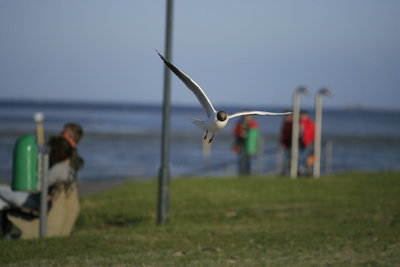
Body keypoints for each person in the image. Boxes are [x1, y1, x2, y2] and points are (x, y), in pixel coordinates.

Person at [0, 137, 75, 236]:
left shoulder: (57, 169)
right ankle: (5, 234)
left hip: (33, 201)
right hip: (44, 203)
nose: (49, 152)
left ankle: (4, 233)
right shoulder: (69, 170)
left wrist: (41, 164)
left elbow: (39, 186)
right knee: (1, 200)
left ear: (57, 153)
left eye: (52, 150)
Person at [299, 111, 315, 175]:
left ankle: (307, 171)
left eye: (303, 115)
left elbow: (312, 133)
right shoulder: (299, 123)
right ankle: (302, 170)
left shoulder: (310, 123)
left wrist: (310, 141)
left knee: (308, 157)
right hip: (301, 143)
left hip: (308, 143)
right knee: (302, 156)